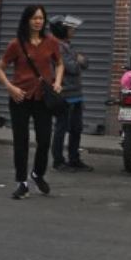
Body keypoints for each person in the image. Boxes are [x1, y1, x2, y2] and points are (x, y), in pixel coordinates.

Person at [0, 4, 65, 199]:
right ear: (27, 20)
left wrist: (57, 82)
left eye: (41, 18)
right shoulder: (16, 44)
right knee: (21, 141)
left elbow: (59, 64)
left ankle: (37, 174)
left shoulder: (51, 42)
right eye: (34, 18)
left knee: (44, 140)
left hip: (43, 98)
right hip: (20, 97)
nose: (38, 21)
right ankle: (22, 182)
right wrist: (10, 87)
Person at [48, 15, 93, 172]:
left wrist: (78, 59)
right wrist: (77, 58)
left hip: (76, 93)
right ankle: (59, 161)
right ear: (62, 30)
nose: (73, 31)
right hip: (65, 94)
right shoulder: (58, 47)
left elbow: (85, 63)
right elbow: (73, 68)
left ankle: (74, 159)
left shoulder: (67, 46)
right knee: (61, 127)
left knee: (76, 128)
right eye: (70, 28)